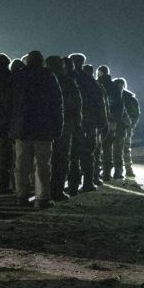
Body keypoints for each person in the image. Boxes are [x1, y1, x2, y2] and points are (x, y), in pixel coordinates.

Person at [10, 51, 63, 209]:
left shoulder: (18, 77)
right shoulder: (49, 77)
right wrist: (58, 127)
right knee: (42, 164)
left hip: (22, 127)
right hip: (43, 128)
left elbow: (10, 102)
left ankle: (21, 195)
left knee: (21, 164)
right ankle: (42, 197)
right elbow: (57, 104)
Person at [68, 54, 108, 194]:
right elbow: (99, 103)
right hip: (88, 122)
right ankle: (87, 183)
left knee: (72, 154)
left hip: (70, 121)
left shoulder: (67, 78)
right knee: (87, 153)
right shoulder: (89, 80)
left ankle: (72, 184)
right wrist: (102, 122)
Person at [46, 56, 82, 201]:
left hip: (43, 124)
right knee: (61, 158)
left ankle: (41, 190)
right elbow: (76, 105)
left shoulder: (42, 80)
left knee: (42, 159)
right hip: (64, 125)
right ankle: (57, 190)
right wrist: (77, 124)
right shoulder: (68, 82)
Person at [0, 53, 14, 195]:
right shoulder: (9, 78)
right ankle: (2, 187)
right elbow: (11, 102)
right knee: (3, 158)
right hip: (4, 123)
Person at [97, 65, 126, 180]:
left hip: (101, 121)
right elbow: (120, 104)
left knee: (104, 148)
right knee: (115, 148)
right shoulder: (115, 87)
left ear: (99, 73)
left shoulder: (97, 84)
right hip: (114, 121)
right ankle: (115, 172)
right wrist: (115, 118)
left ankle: (105, 174)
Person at [116, 78, 140, 178]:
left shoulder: (114, 96)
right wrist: (132, 124)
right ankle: (127, 170)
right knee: (125, 149)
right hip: (126, 127)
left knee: (117, 150)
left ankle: (117, 171)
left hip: (118, 127)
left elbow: (136, 114)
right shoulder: (131, 98)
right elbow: (136, 114)